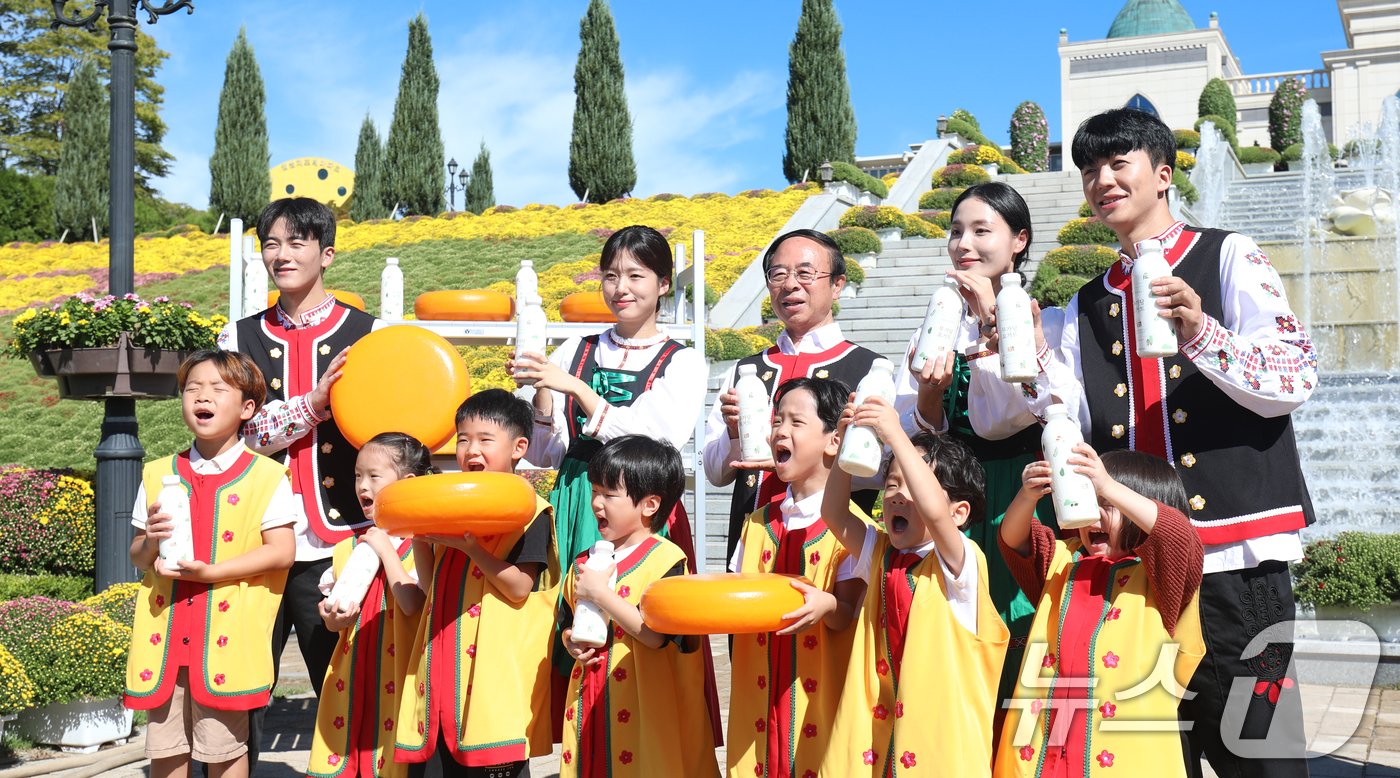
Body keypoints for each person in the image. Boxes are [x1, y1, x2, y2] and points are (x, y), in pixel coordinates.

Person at [991, 108, 1317, 777]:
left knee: (1263, 756)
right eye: (1089, 170)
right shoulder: (1083, 303)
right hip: (1133, 570)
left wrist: (1202, 332)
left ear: (1163, 173)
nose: (1101, 180)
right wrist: (1028, 358)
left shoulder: (1228, 254)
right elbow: (1066, 413)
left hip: (1233, 560)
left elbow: (1294, 374)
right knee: (1145, 755)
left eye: (1118, 163)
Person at [891, 181, 1052, 721]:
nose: (965, 243)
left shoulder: (1039, 317)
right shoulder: (936, 320)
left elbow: (1037, 407)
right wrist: (931, 397)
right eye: (957, 231)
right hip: (953, 497)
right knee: (955, 622)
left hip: (1018, 491)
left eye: (983, 231)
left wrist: (995, 322)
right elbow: (924, 422)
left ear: (1019, 242)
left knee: (1018, 620)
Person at [217, 197, 385, 705]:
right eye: (271, 244)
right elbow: (235, 434)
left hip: (338, 542)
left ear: (326, 254)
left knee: (349, 690)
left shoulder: (370, 336)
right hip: (253, 539)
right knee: (239, 692)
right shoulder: (239, 336)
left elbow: (390, 440)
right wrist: (312, 404)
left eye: (296, 242)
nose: (282, 254)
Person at [123, 350, 297, 778]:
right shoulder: (158, 473)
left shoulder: (267, 476)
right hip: (164, 640)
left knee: (223, 750)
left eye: (219, 389)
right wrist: (151, 542)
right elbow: (138, 554)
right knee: (165, 749)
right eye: (193, 389)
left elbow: (281, 551)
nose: (203, 397)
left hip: (225, 640)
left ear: (247, 408)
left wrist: (210, 574)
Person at [821, 402, 1009, 776]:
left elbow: (935, 515)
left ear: (960, 513)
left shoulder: (960, 563)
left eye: (913, 482)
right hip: (877, 744)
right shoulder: (880, 553)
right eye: (891, 484)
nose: (896, 495)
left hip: (939, 752)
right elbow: (835, 514)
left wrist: (895, 436)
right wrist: (846, 448)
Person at [995, 446, 1205, 778]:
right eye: (1085, 501)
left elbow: (1178, 535)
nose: (1091, 516)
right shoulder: (1063, 561)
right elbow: (1013, 538)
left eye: (1106, 505)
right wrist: (1026, 496)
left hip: (1125, 760)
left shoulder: (1163, 579)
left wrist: (1106, 485)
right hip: (1041, 753)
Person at [509, 225, 708, 572]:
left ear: (663, 284)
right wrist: (540, 385)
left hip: (642, 506)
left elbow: (655, 441)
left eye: (635, 276)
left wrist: (576, 388)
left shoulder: (683, 362)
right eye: (611, 276)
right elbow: (545, 454)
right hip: (578, 500)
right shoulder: (576, 350)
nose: (621, 288)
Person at [394, 390, 559, 778]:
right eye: (464, 439)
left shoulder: (530, 511)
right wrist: (422, 536)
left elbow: (519, 587)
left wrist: (469, 547)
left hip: (494, 679)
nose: (472, 450)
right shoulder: (451, 506)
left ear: (519, 447)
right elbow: (432, 584)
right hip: (445, 667)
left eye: (486, 440)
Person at [703, 229, 883, 563]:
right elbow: (715, 473)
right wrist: (733, 436)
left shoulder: (871, 370)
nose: (789, 284)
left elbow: (882, 468)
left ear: (838, 284)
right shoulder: (748, 369)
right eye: (778, 274)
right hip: (751, 545)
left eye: (805, 273)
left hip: (832, 553)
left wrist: (810, 464)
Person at [726, 377, 869, 778]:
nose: (779, 431)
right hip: (756, 698)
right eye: (777, 420)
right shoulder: (757, 522)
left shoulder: (852, 530)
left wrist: (827, 605)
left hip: (818, 699)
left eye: (796, 422)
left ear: (834, 441)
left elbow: (846, 614)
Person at [558, 435, 719, 777]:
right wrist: (571, 641)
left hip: (648, 709)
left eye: (609, 495)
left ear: (649, 505)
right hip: (593, 702)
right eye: (595, 490)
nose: (597, 503)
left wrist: (602, 595)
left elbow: (656, 637)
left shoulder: (668, 561)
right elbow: (567, 622)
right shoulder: (584, 561)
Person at [307, 432, 433, 778]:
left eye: (374, 476)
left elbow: (413, 603)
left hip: (401, 682)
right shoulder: (348, 548)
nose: (363, 485)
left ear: (407, 483)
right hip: (355, 679)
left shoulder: (423, 544)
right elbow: (335, 624)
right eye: (358, 475)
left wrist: (384, 549)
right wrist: (332, 617)